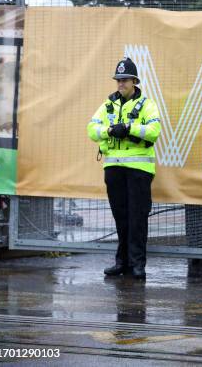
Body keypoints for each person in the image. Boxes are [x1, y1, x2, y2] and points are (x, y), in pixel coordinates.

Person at [87, 57, 162, 280]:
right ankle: (122, 262)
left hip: (139, 171)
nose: (120, 83)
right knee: (121, 217)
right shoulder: (108, 104)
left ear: (134, 81)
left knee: (138, 218)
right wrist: (110, 131)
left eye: (125, 79)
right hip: (114, 170)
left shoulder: (147, 104)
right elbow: (91, 129)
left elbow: (154, 130)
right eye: (118, 80)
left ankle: (137, 264)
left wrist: (129, 128)